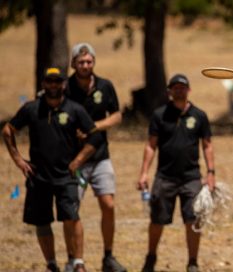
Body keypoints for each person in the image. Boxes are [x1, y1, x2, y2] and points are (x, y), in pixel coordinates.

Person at [2, 67, 103, 272]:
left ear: (63, 84)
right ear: (43, 84)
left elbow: (95, 137)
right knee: (42, 221)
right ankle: (51, 264)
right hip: (39, 176)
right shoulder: (31, 108)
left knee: (72, 217)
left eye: (57, 81)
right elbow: (8, 130)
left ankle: (78, 262)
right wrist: (19, 160)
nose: (54, 85)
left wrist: (78, 161)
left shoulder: (74, 109)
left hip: (67, 176)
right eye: (50, 81)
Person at [137, 74, 217, 272]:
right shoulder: (159, 115)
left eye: (182, 87)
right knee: (157, 220)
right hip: (164, 177)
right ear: (169, 91)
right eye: (175, 87)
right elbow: (150, 146)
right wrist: (144, 173)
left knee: (193, 220)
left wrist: (211, 172)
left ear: (189, 90)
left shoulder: (199, 115)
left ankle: (192, 262)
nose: (179, 90)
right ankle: (151, 256)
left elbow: (207, 146)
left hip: (191, 177)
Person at [66, 42, 126, 272]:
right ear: (73, 64)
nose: (85, 65)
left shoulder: (105, 86)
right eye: (81, 62)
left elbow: (117, 116)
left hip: (101, 155)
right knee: (70, 209)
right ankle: (73, 259)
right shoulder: (66, 88)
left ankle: (108, 257)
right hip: (74, 161)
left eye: (89, 61)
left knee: (108, 205)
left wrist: (93, 127)